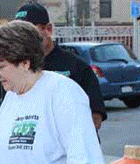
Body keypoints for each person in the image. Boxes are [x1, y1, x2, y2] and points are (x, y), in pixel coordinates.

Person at [0, 20, 104, 164]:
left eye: (1, 67)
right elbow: (3, 156)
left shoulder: (62, 92)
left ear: (25, 62)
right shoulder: (11, 96)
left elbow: (85, 162)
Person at [15, 3, 106, 131]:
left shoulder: (76, 66)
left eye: (28, 32)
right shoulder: (18, 69)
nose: (23, 39)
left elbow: (95, 118)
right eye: (18, 34)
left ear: (48, 29)